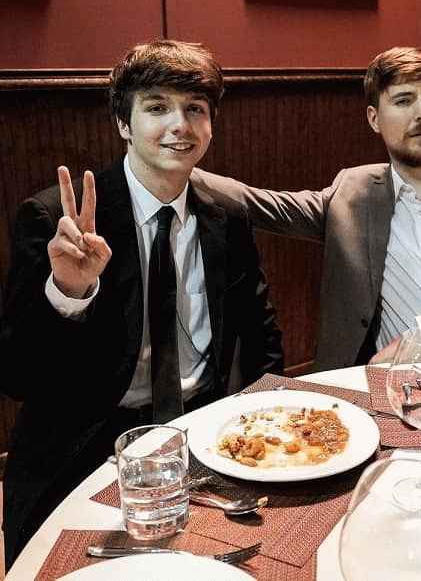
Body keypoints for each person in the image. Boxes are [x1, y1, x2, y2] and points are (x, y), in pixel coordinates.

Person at [0, 40, 283, 568]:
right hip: (88, 442)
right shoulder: (58, 220)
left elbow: (261, 335)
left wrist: (260, 423)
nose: (180, 125)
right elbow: (17, 375)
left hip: (202, 432)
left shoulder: (226, 218)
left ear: (211, 125)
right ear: (123, 124)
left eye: (194, 109)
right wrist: (69, 292)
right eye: (157, 107)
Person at [191, 46, 421, 369]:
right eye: (404, 101)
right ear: (374, 119)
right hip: (390, 383)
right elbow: (258, 204)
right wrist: (178, 168)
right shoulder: (354, 193)